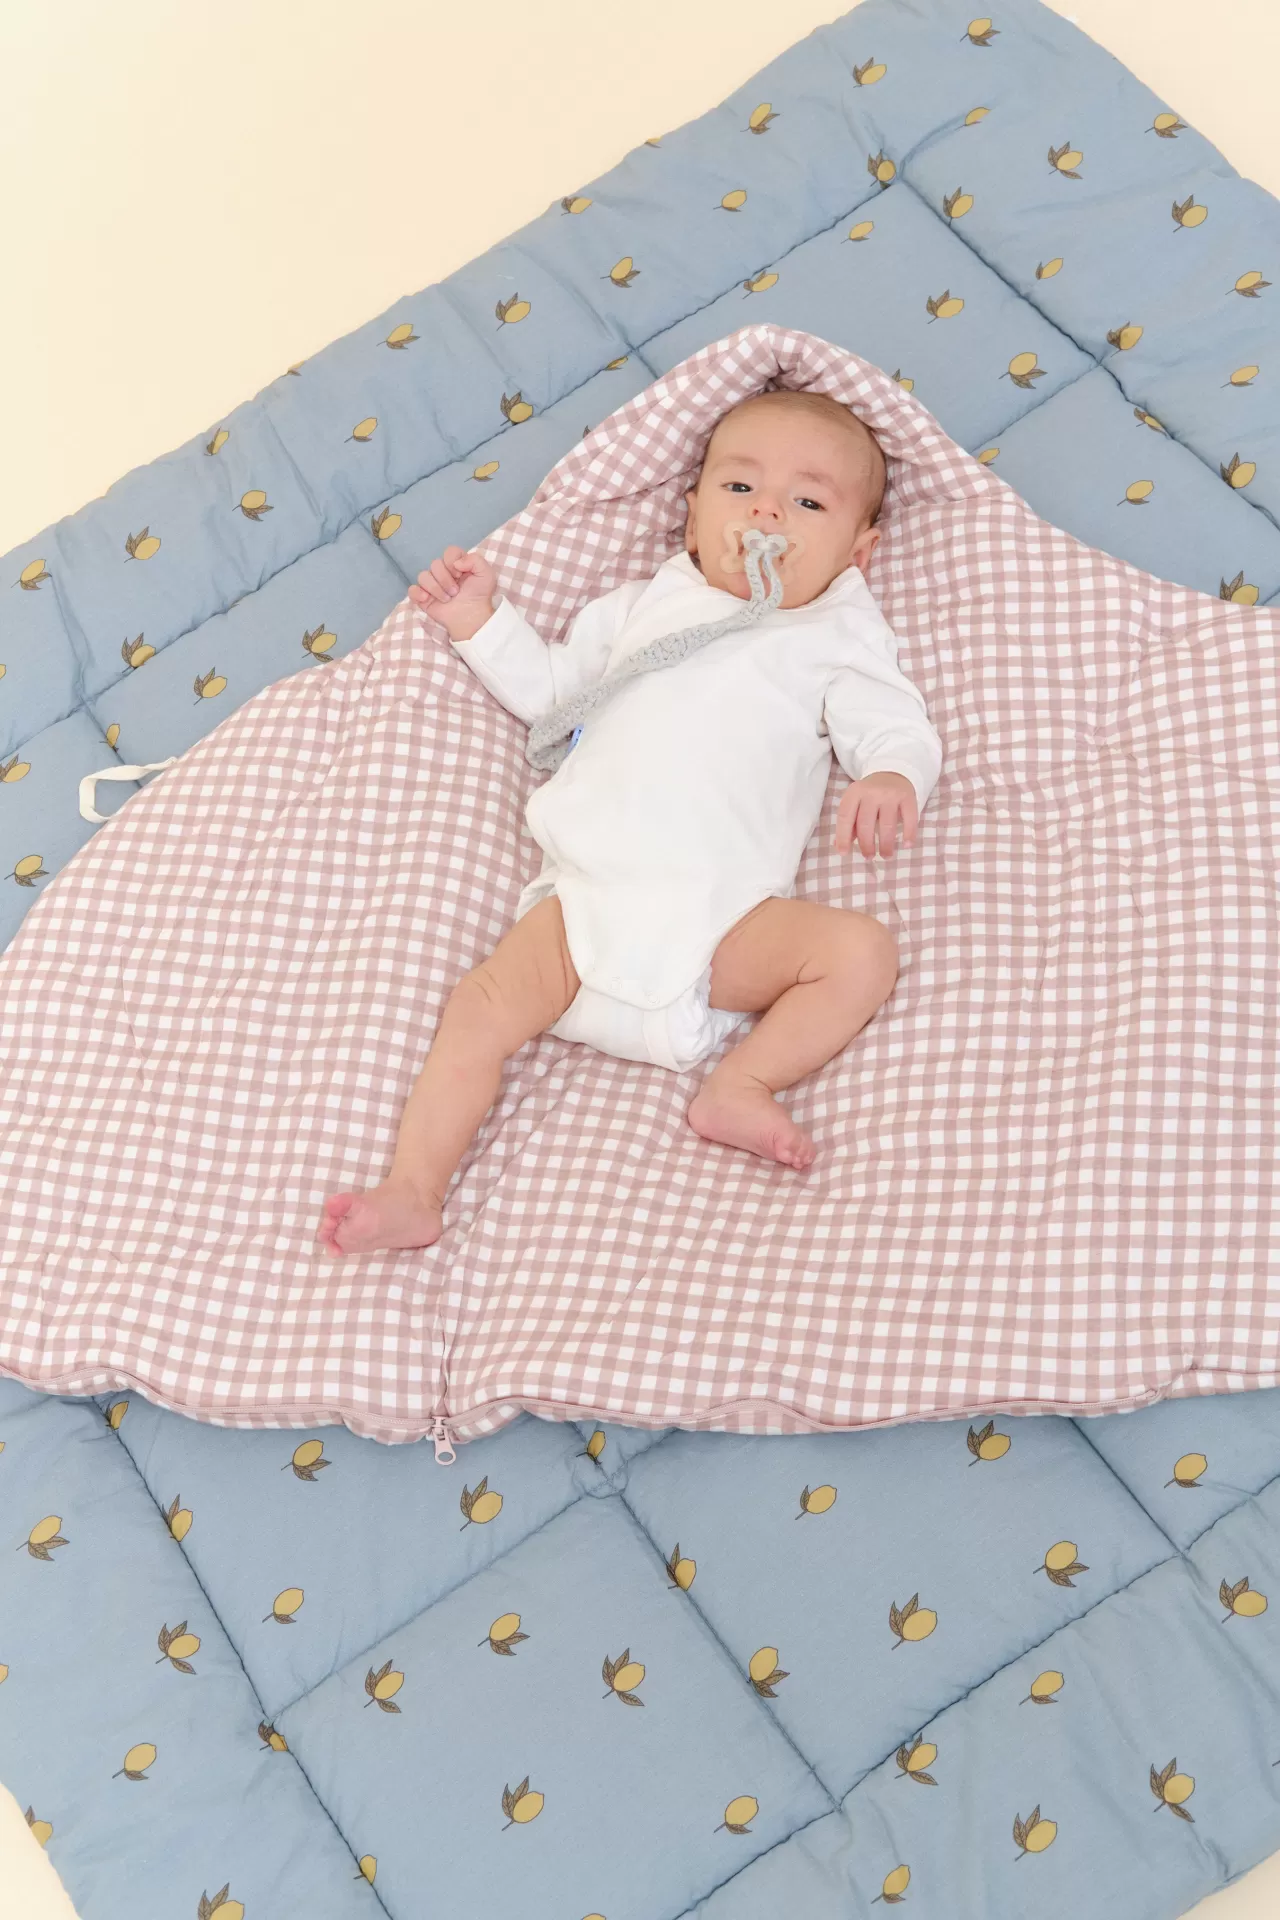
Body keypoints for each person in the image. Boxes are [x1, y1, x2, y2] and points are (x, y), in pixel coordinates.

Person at [318, 387, 942, 1256]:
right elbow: (555, 698)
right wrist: (479, 622)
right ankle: (415, 1187)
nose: (767, 511)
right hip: (584, 905)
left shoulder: (835, 632)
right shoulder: (645, 604)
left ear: (860, 550)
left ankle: (743, 1084)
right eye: (738, 490)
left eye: (807, 503)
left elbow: (894, 720)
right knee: (479, 1007)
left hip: (723, 924)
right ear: (689, 518)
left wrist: (890, 772)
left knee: (861, 951)